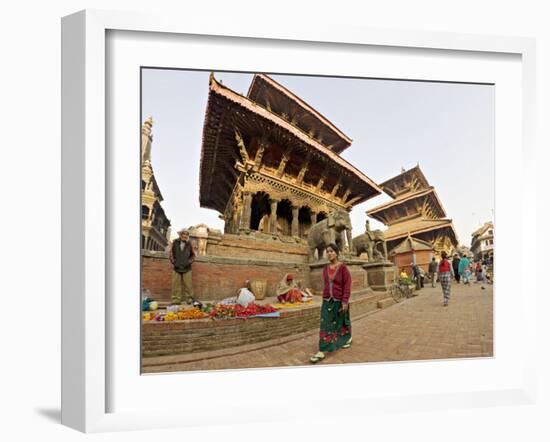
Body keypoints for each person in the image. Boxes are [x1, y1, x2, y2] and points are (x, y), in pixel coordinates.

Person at [310, 243, 352, 363]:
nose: (329, 253)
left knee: (342, 321)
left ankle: (347, 338)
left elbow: (347, 285)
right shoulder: (325, 268)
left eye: (331, 251)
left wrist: (345, 301)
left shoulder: (343, 268)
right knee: (326, 323)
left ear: (336, 253)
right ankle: (322, 350)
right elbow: (327, 284)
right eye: (327, 251)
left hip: (340, 300)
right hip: (328, 300)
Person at [169, 228, 196, 306]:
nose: (185, 236)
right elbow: (171, 253)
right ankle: (175, 301)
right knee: (175, 285)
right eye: (183, 234)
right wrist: (174, 262)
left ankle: (190, 300)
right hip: (176, 267)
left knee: (188, 285)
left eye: (186, 234)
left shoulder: (190, 244)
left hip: (187, 268)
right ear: (180, 235)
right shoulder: (175, 242)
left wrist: (189, 262)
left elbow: (193, 255)